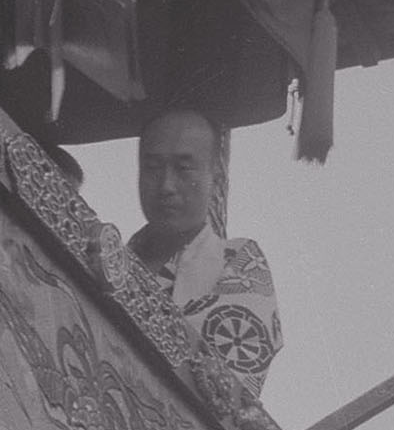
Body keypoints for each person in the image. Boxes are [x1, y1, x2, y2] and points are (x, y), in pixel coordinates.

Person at [120, 100, 281, 396]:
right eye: (152, 168)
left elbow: (225, 387)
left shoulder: (239, 262)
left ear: (215, 174)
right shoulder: (113, 260)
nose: (166, 186)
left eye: (183, 169)